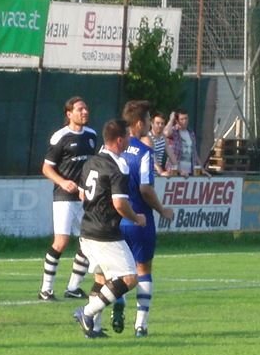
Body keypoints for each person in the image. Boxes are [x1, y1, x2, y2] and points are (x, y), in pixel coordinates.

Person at [73, 119, 148, 339]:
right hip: (105, 233)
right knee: (129, 278)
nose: (129, 140)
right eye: (128, 137)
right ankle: (86, 313)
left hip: (87, 229)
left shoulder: (91, 161)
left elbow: (82, 194)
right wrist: (136, 218)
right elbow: (119, 204)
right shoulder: (118, 165)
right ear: (120, 140)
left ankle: (94, 329)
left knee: (101, 280)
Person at [115, 100, 175, 336]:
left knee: (115, 269)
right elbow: (145, 189)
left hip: (115, 219)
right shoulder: (144, 152)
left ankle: (118, 300)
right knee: (143, 269)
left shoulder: (111, 148)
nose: (150, 125)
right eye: (149, 120)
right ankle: (141, 324)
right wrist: (162, 210)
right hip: (139, 219)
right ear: (139, 123)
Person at [39, 96, 98, 300]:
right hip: (64, 197)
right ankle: (46, 289)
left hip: (84, 197)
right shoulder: (60, 136)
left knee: (89, 242)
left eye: (86, 108)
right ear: (69, 114)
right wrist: (63, 182)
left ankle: (73, 287)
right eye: (80, 109)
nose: (85, 112)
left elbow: (91, 166)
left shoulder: (91, 135)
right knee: (61, 242)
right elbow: (46, 168)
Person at [165, 109, 203, 177]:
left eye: (186, 118)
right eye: (182, 119)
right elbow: (166, 133)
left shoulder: (191, 133)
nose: (184, 121)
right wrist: (171, 119)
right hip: (175, 171)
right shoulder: (174, 131)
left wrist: (202, 168)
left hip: (190, 171)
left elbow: (194, 153)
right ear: (177, 121)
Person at [148, 109, 171, 178]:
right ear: (152, 124)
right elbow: (152, 157)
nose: (160, 125)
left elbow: (171, 154)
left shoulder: (163, 138)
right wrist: (161, 172)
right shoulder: (148, 137)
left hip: (157, 176)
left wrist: (179, 170)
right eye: (157, 123)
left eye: (162, 123)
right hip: (148, 176)